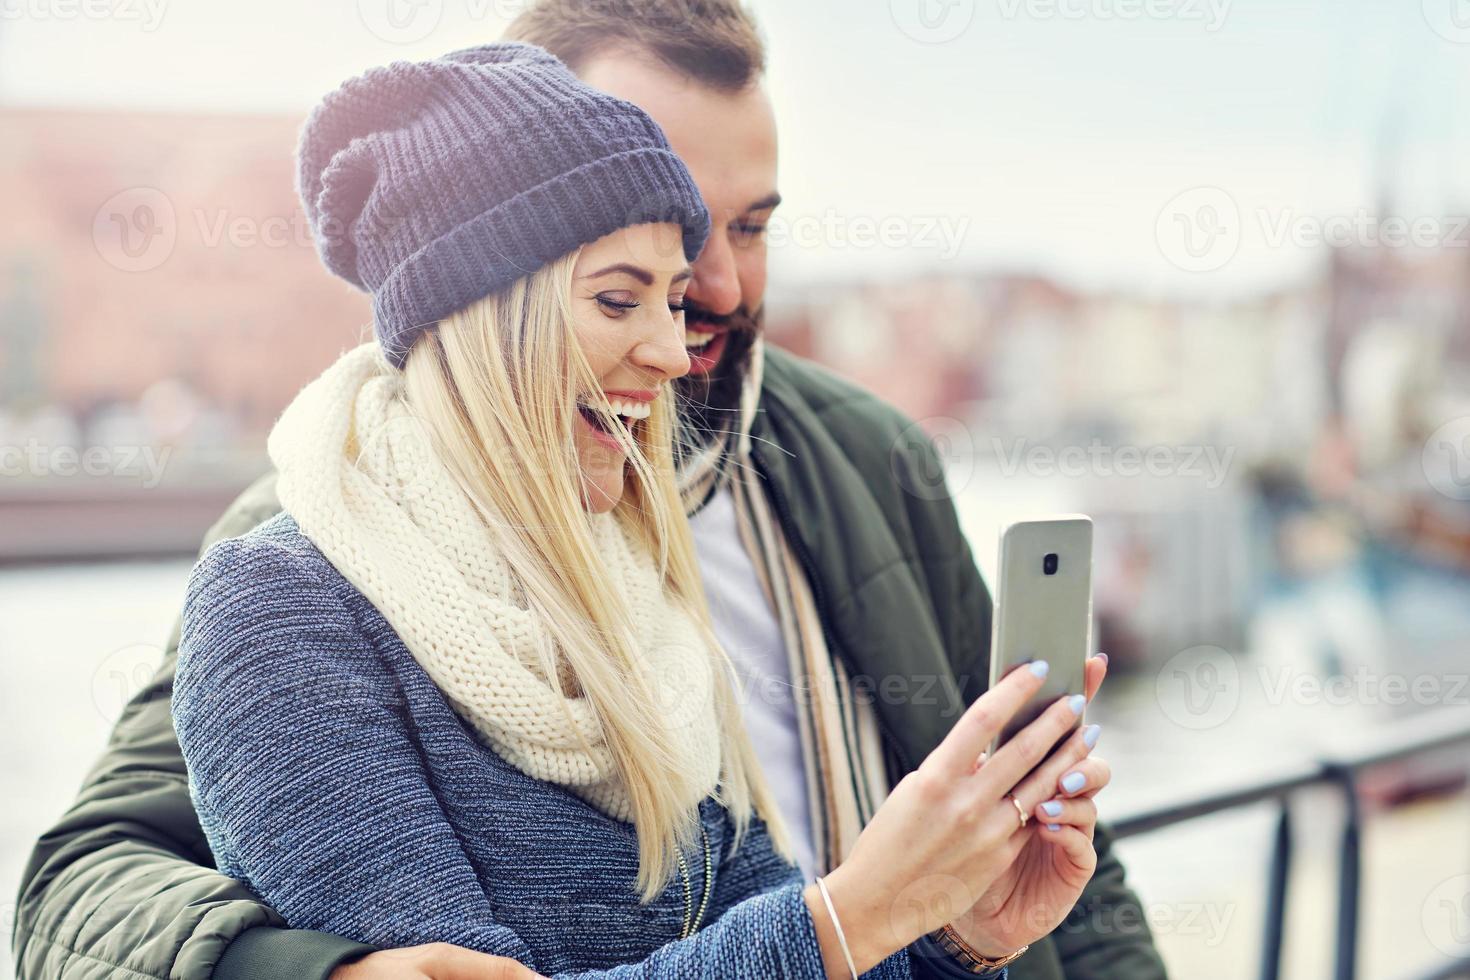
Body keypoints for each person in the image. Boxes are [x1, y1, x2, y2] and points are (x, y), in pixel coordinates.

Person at [12, 5, 1166, 980]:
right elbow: (78, 883)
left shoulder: (840, 469)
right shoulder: (309, 556)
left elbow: (1032, 893)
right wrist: (312, 969)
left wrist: (956, 927)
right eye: (632, 275)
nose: (703, 296)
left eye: (746, 230)